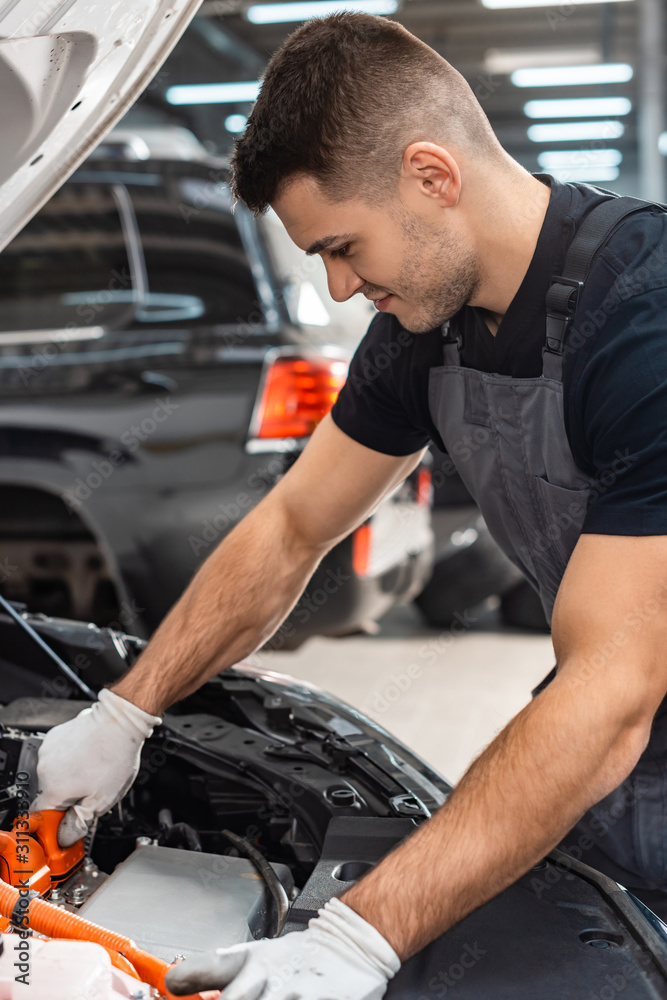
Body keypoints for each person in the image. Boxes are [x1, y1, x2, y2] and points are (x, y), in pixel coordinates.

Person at [33, 12, 667, 999]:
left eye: (341, 246)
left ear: (431, 174)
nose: (333, 288)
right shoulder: (423, 330)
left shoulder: (643, 320)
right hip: (616, 765)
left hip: (623, 716)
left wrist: (356, 936)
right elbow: (291, 527)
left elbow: (617, 686)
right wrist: (125, 713)